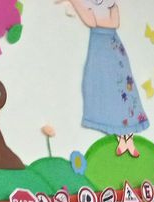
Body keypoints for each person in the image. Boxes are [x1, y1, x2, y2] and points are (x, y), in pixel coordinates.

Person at [59, 0, 149, 157]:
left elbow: (109, 22)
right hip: (99, 52)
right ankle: (122, 138)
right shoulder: (91, 7)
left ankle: (127, 138)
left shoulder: (111, 6)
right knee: (101, 89)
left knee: (122, 92)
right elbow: (91, 20)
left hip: (112, 50)